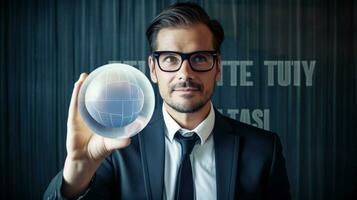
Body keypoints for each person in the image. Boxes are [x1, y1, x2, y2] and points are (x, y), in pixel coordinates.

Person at [44, 2, 291, 200]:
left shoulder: (263, 150)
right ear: (153, 69)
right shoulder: (115, 148)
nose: (185, 73)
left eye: (200, 58)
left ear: (218, 68)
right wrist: (78, 168)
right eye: (170, 59)